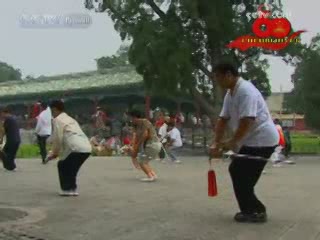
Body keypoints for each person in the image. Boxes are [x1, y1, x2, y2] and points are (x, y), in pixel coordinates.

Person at [210, 63, 279, 223]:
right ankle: (251, 210)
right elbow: (223, 119)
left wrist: (233, 142)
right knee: (238, 172)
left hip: (263, 140)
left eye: (218, 77)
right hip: (250, 140)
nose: (217, 82)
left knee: (240, 173)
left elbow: (247, 120)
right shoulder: (230, 94)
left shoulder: (246, 91)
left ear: (228, 75)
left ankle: (256, 211)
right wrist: (216, 142)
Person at [46, 100, 92, 196]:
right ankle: (72, 188)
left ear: (54, 109)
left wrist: (54, 153)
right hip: (86, 148)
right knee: (71, 168)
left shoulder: (57, 119)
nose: (51, 114)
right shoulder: (70, 119)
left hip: (75, 147)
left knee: (62, 165)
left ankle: (67, 189)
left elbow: (58, 138)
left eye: (52, 111)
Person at [128, 110, 161, 182]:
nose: (130, 121)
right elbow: (135, 136)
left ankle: (150, 176)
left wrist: (137, 145)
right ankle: (153, 175)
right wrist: (133, 146)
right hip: (152, 145)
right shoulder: (136, 125)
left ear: (135, 117)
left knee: (141, 161)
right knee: (145, 161)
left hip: (153, 144)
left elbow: (145, 135)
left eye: (131, 118)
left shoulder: (144, 122)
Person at [0, 107, 21, 171]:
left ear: (4, 113)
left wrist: (1, 139)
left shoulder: (8, 119)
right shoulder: (14, 118)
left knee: (4, 152)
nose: (1, 116)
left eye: (1, 114)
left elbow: (3, 131)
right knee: (10, 154)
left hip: (12, 140)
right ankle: (10, 167)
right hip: (17, 140)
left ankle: (11, 167)